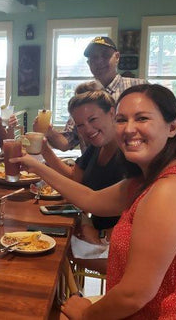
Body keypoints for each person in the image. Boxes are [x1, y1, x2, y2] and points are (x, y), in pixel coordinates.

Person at [12, 84, 176, 319]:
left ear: (172, 126)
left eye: (142, 118)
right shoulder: (146, 179)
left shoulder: (170, 190)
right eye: (122, 120)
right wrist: (34, 164)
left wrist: (87, 314)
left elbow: (134, 295)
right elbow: (91, 199)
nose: (129, 129)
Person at [41, 85, 125, 274]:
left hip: (116, 246)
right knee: (44, 234)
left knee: (52, 251)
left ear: (112, 113)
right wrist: (45, 150)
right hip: (95, 231)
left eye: (92, 119)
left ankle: (64, 300)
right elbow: (73, 178)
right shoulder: (97, 146)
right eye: (80, 125)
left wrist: (100, 234)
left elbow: (136, 217)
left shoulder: (128, 154)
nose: (87, 129)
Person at [37, 36, 146, 151]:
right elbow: (67, 142)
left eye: (105, 55)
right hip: (92, 166)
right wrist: (49, 132)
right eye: (94, 57)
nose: (99, 61)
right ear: (88, 63)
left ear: (117, 57)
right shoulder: (84, 95)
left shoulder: (139, 88)